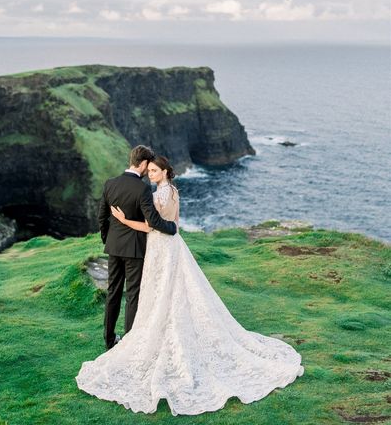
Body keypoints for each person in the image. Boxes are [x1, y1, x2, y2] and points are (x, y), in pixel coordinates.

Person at [75, 156, 304, 416]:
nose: (149, 174)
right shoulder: (171, 191)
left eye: (154, 171)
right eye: (148, 170)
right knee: (171, 292)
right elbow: (174, 225)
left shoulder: (158, 195)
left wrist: (124, 220)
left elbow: (153, 226)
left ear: (164, 172)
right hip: (171, 247)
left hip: (161, 246)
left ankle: (149, 335)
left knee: (159, 292)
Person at [97, 145, 177, 350]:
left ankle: (108, 339)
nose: (147, 171)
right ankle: (129, 344)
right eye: (147, 166)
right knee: (132, 295)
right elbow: (154, 222)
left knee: (113, 292)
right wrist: (172, 227)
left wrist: (109, 240)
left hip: (114, 247)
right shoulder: (142, 189)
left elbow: (102, 218)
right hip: (135, 250)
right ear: (142, 164)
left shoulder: (110, 184)